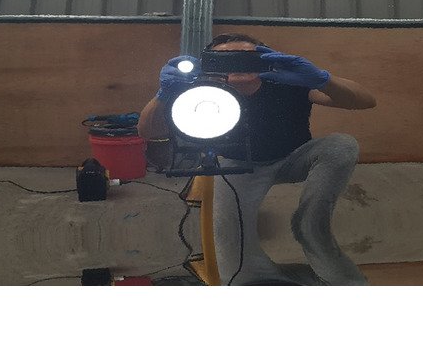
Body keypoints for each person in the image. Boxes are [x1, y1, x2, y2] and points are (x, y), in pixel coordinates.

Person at [138, 33, 376, 285]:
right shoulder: (201, 92)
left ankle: (310, 222)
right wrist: (164, 94)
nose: (238, 65)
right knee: (231, 250)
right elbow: (148, 132)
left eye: (247, 58)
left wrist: (323, 79)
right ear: (210, 64)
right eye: (226, 59)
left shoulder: (288, 82)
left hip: (294, 156)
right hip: (237, 166)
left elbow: (365, 102)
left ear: (265, 59)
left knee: (341, 145)